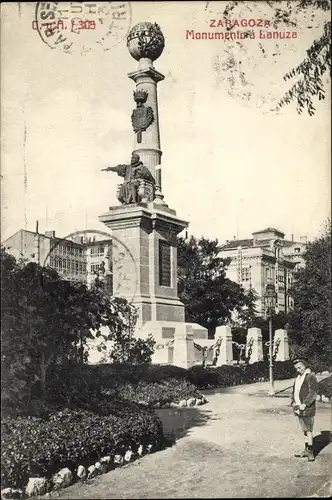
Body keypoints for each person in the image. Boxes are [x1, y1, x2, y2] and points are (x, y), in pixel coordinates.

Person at [290, 357, 318, 462]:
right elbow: (295, 391)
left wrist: (305, 404)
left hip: (307, 408)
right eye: (296, 368)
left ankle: (311, 452)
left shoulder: (310, 376)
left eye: (300, 367)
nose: (298, 370)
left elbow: (313, 393)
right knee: (304, 430)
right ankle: (306, 450)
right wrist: (293, 400)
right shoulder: (298, 378)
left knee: (309, 430)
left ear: (304, 366)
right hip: (298, 407)